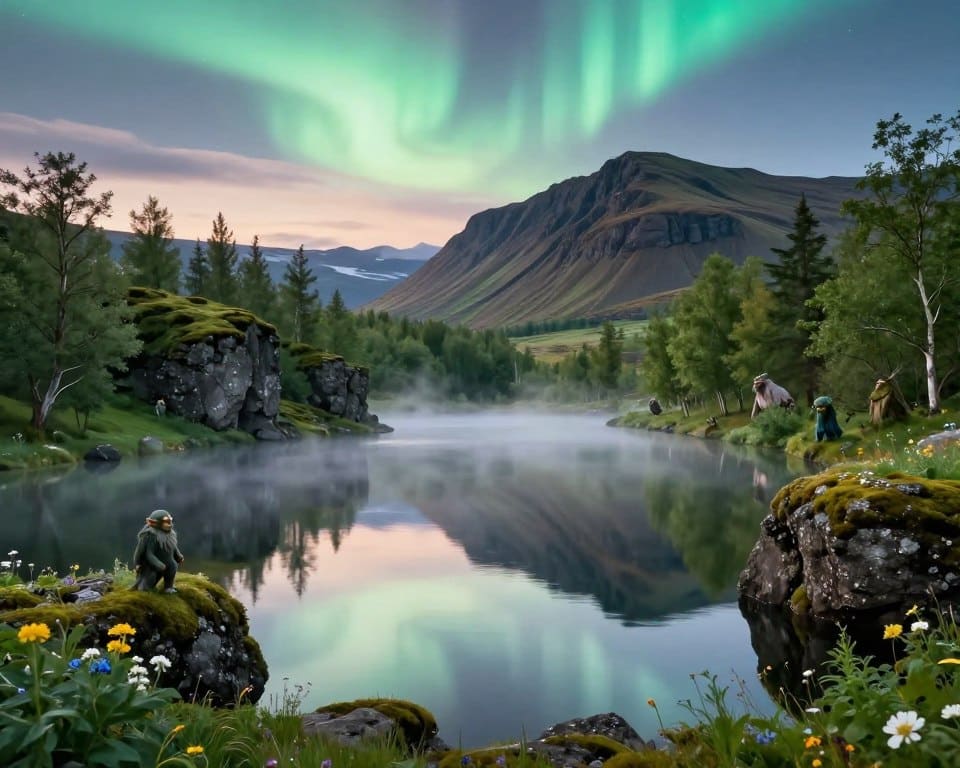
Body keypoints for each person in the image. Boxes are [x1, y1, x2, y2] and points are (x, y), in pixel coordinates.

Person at [132, 509, 184, 593]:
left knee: (173, 566)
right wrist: (157, 563)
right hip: (152, 566)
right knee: (150, 578)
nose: (170, 524)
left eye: (170, 521)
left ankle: (168, 587)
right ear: (157, 523)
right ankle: (144, 588)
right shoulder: (150, 536)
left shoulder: (170, 534)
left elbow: (172, 547)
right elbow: (149, 554)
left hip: (167, 562)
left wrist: (178, 555)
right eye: (166, 522)